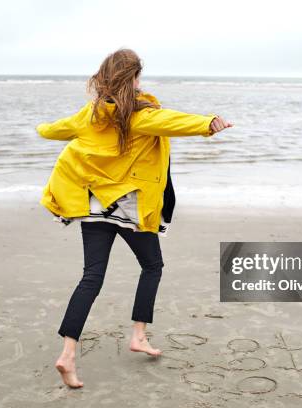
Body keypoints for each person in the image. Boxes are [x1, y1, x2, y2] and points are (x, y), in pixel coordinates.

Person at [36, 48, 233, 388]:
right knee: (152, 265)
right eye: (139, 77)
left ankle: (67, 355)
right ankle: (138, 335)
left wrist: (42, 127)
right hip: (129, 210)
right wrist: (208, 124)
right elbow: (174, 121)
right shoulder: (140, 117)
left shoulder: (89, 115)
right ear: (132, 80)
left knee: (91, 277)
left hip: (95, 206)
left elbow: (56, 130)